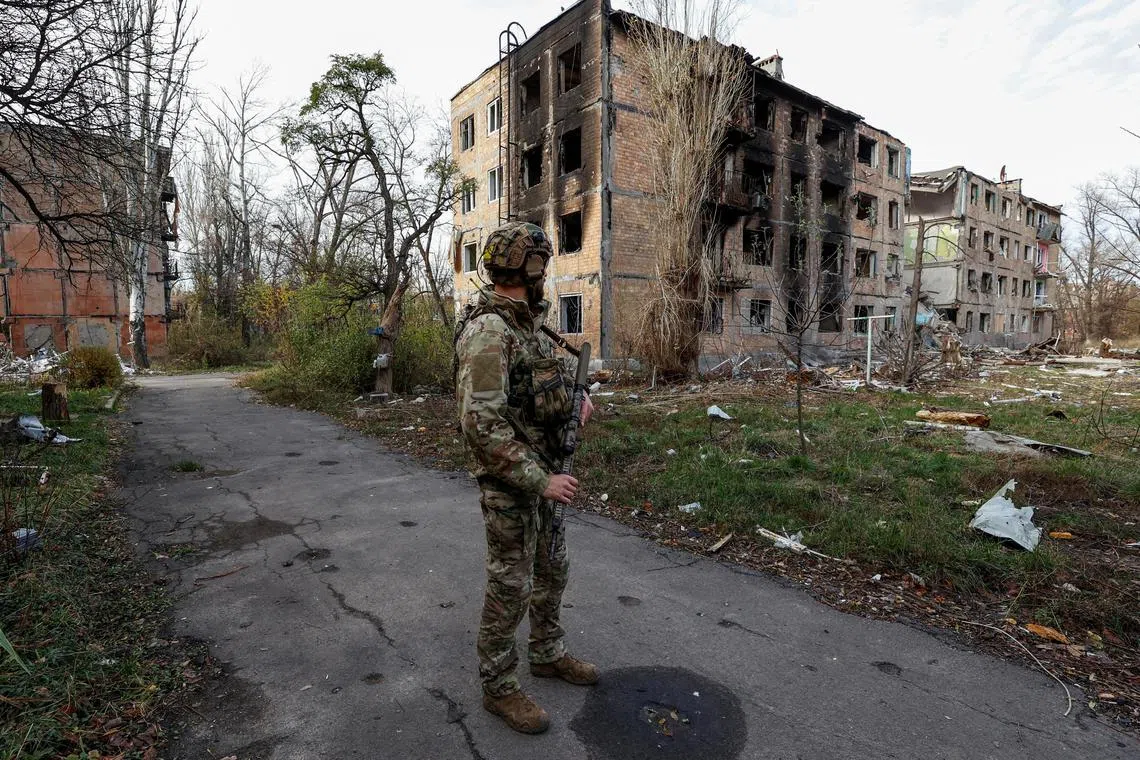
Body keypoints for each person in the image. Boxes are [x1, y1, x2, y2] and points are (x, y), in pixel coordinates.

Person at [454, 222, 597, 734]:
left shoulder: (525, 324)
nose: (545, 273)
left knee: (552, 570)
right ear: (529, 268)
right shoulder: (489, 333)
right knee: (510, 586)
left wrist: (574, 403)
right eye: (541, 264)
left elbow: (541, 383)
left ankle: (547, 652)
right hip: (512, 484)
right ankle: (498, 687)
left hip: (543, 472)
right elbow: (481, 425)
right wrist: (540, 480)